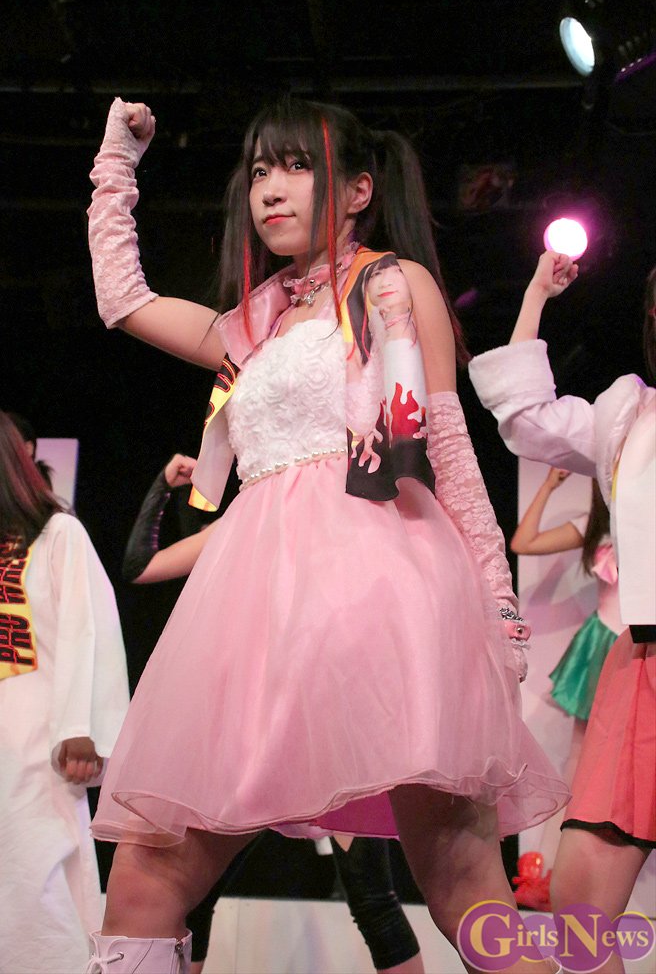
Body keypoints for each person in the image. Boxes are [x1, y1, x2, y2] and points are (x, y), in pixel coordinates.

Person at [84, 95, 568, 974]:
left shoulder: (390, 284)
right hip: (254, 613)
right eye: (259, 171)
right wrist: (117, 164)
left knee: (465, 891)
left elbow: (448, 455)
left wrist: (499, 612)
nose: (270, 189)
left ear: (357, 191)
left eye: (297, 167)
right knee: (144, 884)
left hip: (373, 602)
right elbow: (123, 301)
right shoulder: (256, 321)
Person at [124, 451, 425, 974]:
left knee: (373, 900)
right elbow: (140, 566)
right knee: (197, 897)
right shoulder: (240, 529)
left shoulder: (347, 523)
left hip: (330, 724)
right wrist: (162, 485)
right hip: (253, 730)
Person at [469, 254, 655, 974]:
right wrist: (537, 295)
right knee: (580, 906)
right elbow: (526, 418)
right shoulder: (631, 416)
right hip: (640, 666)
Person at [0, 411, 130, 973]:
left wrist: (83, 732)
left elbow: (87, 626)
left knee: (37, 878)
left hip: (36, 738)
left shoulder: (57, 534)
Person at [509, 469, 625, 910]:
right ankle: (546, 872)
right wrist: (549, 486)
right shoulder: (595, 525)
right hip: (605, 646)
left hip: (642, 646)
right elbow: (523, 543)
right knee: (580, 764)